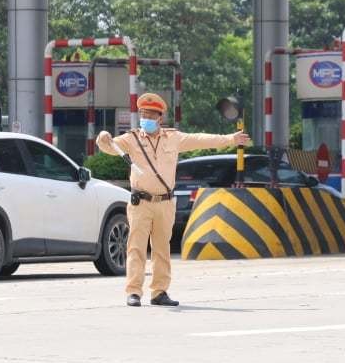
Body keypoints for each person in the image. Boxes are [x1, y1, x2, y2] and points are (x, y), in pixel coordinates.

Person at [96, 93, 250, 307]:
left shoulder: (173, 138)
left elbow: (200, 139)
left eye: (150, 115)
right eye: (142, 114)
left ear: (160, 118)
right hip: (140, 202)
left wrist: (229, 139)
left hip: (165, 203)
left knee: (161, 249)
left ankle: (159, 292)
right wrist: (102, 139)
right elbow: (110, 146)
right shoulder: (131, 139)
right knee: (136, 248)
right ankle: (134, 292)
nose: (145, 118)